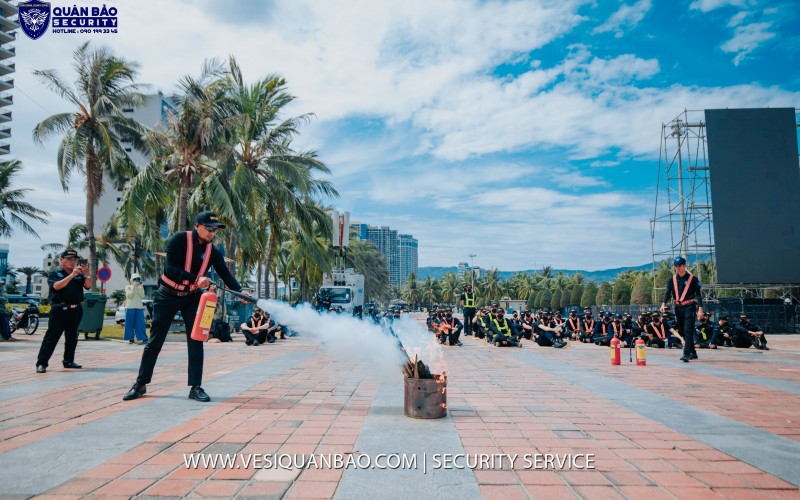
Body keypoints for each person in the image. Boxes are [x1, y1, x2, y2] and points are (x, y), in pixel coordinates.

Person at [123, 211, 249, 402]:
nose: (212, 233)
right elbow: (171, 269)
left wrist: (240, 292)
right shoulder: (178, 240)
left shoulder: (213, 252)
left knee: (196, 341)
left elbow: (225, 273)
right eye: (208, 229)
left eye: (215, 230)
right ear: (197, 226)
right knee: (154, 342)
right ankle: (140, 384)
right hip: (167, 295)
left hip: (192, 297)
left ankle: (195, 387)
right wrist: (196, 279)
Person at [36, 249, 91, 373]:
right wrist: (71, 276)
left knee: (72, 336)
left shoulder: (79, 274)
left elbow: (87, 285)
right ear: (62, 260)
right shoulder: (55, 273)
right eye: (69, 259)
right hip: (59, 309)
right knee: (52, 337)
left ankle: (68, 361)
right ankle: (42, 363)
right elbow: (56, 286)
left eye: (74, 260)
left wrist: (87, 274)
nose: (72, 262)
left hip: (76, 309)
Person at [661, 256, 703, 363]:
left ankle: (686, 353)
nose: (678, 268)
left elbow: (698, 295)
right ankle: (693, 352)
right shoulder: (672, 279)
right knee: (682, 329)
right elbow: (667, 292)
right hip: (678, 307)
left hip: (689, 306)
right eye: (676, 266)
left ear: (685, 266)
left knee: (688, 329)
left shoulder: (693, 279)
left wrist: (700, 309)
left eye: (680, 265)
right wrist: (663, 304)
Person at [123, 273, 148, 344]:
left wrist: (141, 288)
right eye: (135, 279)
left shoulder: (140, 287)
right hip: (130, 307)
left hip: (139, 307)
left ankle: (143, 338)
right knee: (129, 323)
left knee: (140, 323)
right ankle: (130, 338)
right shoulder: (128, 287)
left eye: (138, 279)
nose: (137, 280)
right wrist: (133, 287)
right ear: (132, 280)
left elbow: (142, 296)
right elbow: (129, 295)